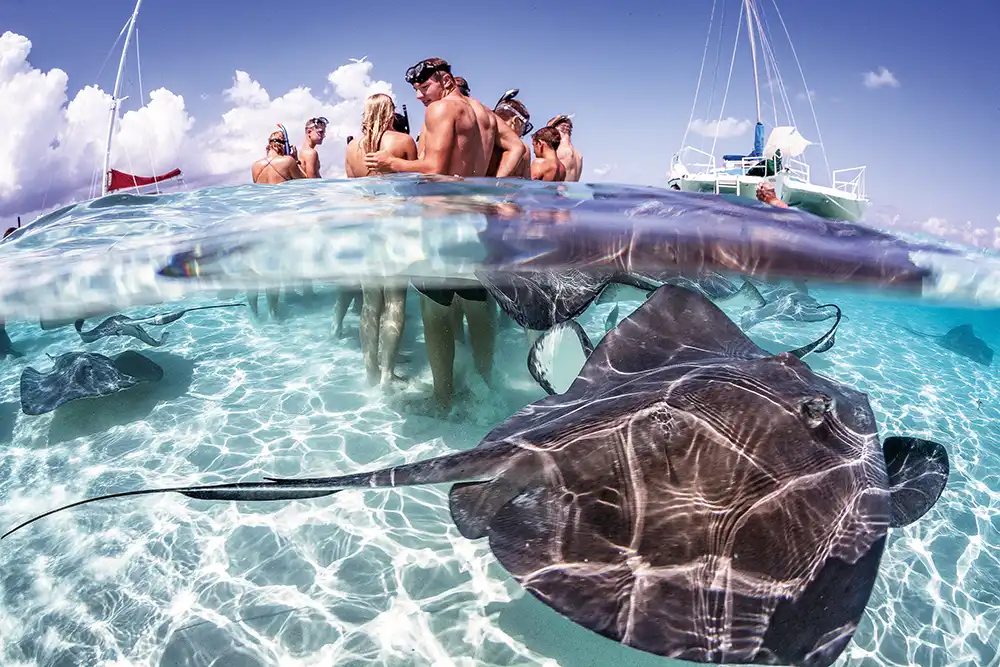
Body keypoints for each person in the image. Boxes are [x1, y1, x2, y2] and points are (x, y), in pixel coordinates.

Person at [364, 57, 526, 412]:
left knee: (435, 313)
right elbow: (518, 147)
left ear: (445, 80)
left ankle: (442, 399)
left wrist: (393, 165)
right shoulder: (486, 114)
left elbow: (434, 169)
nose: (421, 97)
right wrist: (491, 187)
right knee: (479, 310)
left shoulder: (441, 111)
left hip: (441, 226)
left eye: (425, 88)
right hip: (476, 227)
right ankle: (485, 386)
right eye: (418, 91)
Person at [344, 93, 418, 386]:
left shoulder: (351, 149)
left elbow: (354, 193)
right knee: (395, 302)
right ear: (390, 114)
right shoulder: (403, 142)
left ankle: (370, 371)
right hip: (396, 230)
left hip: (366, 231)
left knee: (369, 304)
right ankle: (388, 374)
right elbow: (417, 190)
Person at [490, 94, 532, 178]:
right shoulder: (524, 150)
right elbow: (526, 183)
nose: (522, 133)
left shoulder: (487, 141)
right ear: (515, 121)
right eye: (523, 127)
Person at [545, 114, 583, 182]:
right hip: (573, 191)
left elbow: (547, 129)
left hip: (560, 191)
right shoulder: (578, 155)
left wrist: (559, 116)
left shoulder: (560, 149)